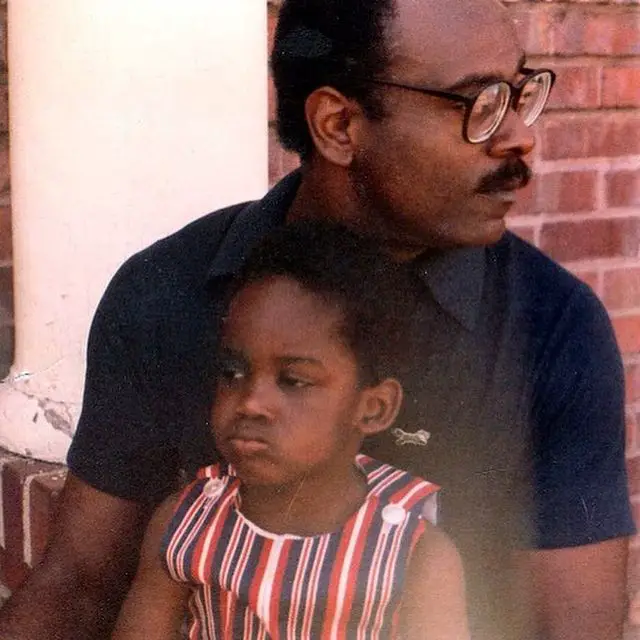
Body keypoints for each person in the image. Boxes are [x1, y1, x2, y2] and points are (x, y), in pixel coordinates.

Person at [0, 0, 633, 638]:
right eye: (478, 104)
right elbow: (81, 581)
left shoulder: (552, 326)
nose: (520, 134)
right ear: (337, 125)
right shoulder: (167, 294)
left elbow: (574, 628)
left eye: (520, 94)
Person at [111, 221, 470, 640]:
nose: (250, 402)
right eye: (233, 372)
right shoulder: (188, 523)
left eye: (293, 380)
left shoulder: (412, 555)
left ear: (373, 409)